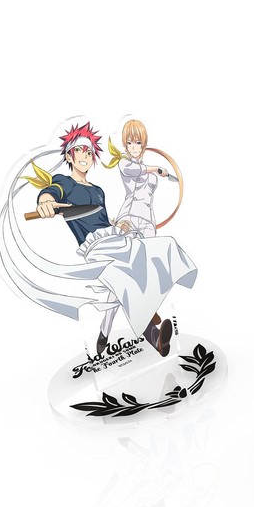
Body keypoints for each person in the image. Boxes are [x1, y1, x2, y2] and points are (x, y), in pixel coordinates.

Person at [32, 123, 195, 356]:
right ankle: (154, 336)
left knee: (159, 249)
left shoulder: (98, 190)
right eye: (79, 151)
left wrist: (118, 224)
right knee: (126, 277)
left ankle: (110, 331)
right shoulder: (65, 182)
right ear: (69, 155)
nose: (85, 156)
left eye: (89, 152)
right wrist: (45, 201)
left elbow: (102, 220)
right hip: (95, 248)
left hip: (114, 238)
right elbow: (52, 191)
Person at [109, 119, 170, 238]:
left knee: (149, 247)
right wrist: (156, 168)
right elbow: (134, 169)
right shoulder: (124, 163)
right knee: (125, 246)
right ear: (125, 145)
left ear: (144, 145)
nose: (134, 147)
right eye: (129, 143)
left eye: (138, 142)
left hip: (147, 220)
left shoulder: (152, 177)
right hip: (129, 216)